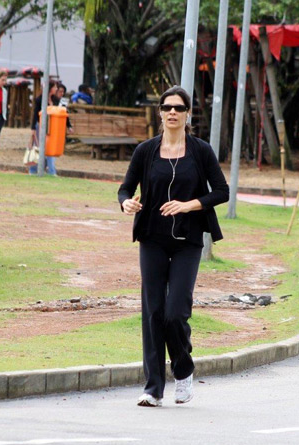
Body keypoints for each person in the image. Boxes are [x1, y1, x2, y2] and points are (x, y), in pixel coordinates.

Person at [117, 86, 229, 407]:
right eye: (167, 108)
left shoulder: (200, 151)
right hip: (152, 237)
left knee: (174, 313)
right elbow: (125, 188)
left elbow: (221, 192)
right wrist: (127, 203)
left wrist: (189, 205)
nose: (172, 113)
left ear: (187, 113)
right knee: (152, 313)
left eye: (178, 108)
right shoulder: (146, 151)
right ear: (160, 112)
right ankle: (153, 388)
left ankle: (183, 370)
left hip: (187, 242)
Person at [30, 80, 59, 176]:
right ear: (50, 88)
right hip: (41, 125)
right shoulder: (39, 99)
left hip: (52, 126)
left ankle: (51, 170)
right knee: (37, 147)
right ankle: (33, 170)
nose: (56, 89)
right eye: (54, 87)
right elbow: (35, 114)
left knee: (50, 148)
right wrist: (33, 128)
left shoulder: (56, 100)